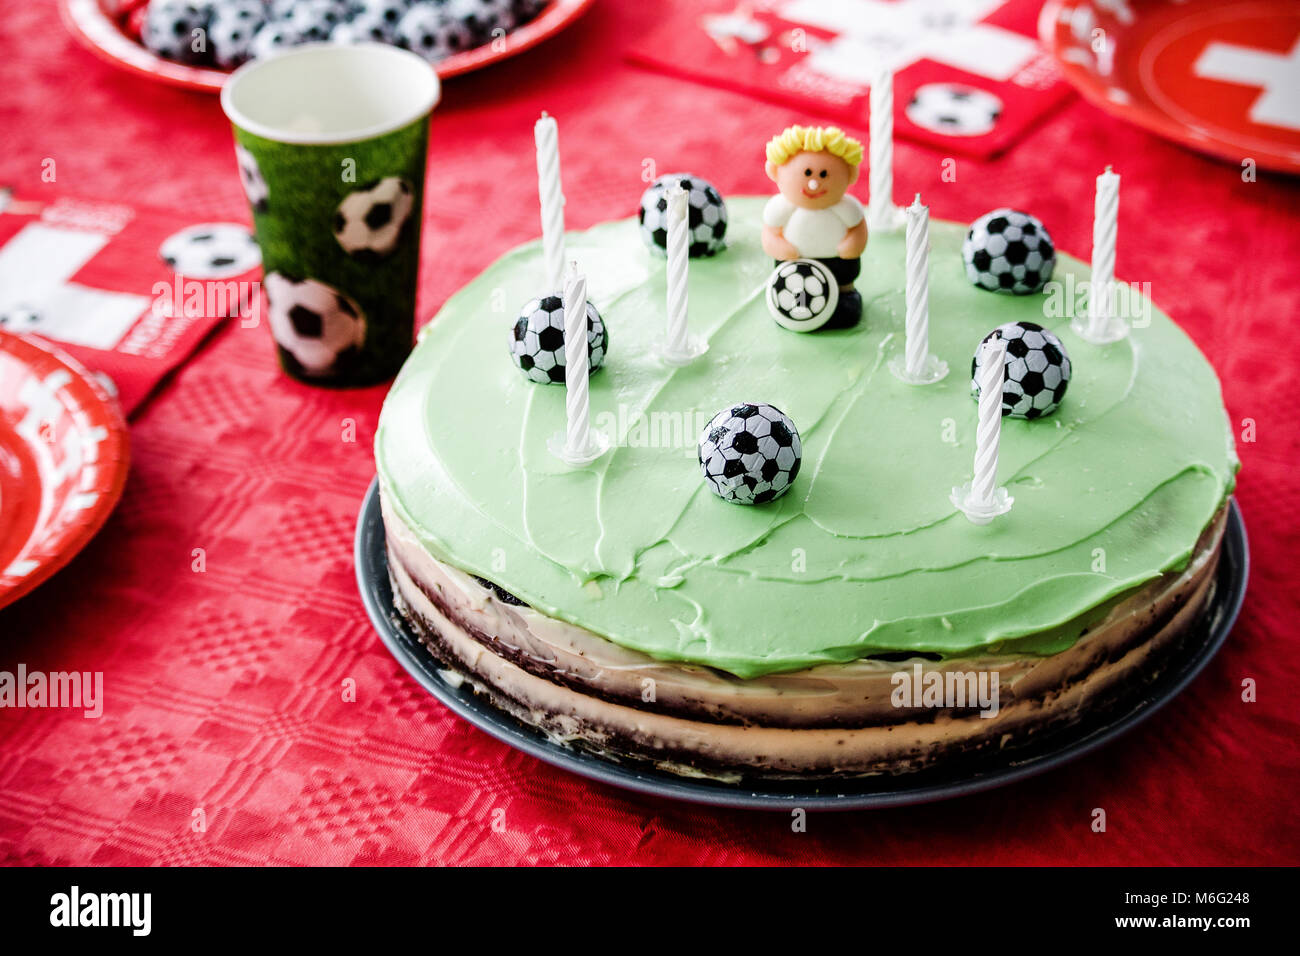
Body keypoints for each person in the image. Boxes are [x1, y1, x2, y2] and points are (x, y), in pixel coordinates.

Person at [761, 125, 867, 328]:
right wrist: (779, 246)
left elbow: (858, 229)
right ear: (775, 171)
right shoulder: (781, 208)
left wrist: (852, 244)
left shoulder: (847, 208)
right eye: (807, 173)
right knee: (798, 289)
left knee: (844, 283)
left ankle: (844, 299)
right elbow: (770, 234)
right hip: (795, 265)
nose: (813, 184)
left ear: (850, 174)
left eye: (823, 174)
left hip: (837, 262)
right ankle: (797, 312)